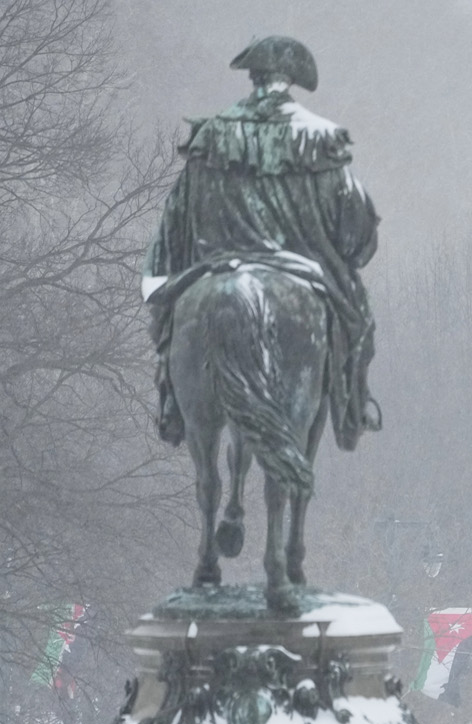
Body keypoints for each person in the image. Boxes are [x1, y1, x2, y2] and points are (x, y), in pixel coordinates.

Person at [143, 36, 382, 451]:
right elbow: (356, 230)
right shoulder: (321, 137)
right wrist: (347, 254)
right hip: (301, 268)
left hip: (214, 266)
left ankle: (170, 401)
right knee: (358, 322)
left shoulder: (210, 136)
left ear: (253, 78)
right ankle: (354, 407)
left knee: (170, 320)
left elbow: (175, 220)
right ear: (292, 80)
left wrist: (163, 276)